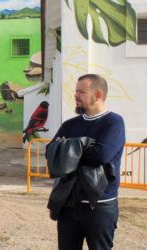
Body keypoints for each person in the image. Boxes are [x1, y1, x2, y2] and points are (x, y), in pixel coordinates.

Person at [48, 74, 125, 250]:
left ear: (98, 95)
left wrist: (67, 148)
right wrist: (86, 146)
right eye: (76, 91)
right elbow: (51, 153)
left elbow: (101, 156)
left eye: (81, 92)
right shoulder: (69, 124)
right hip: (69, 204)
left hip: (100, 206)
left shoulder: (113, 122)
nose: (76, 95)